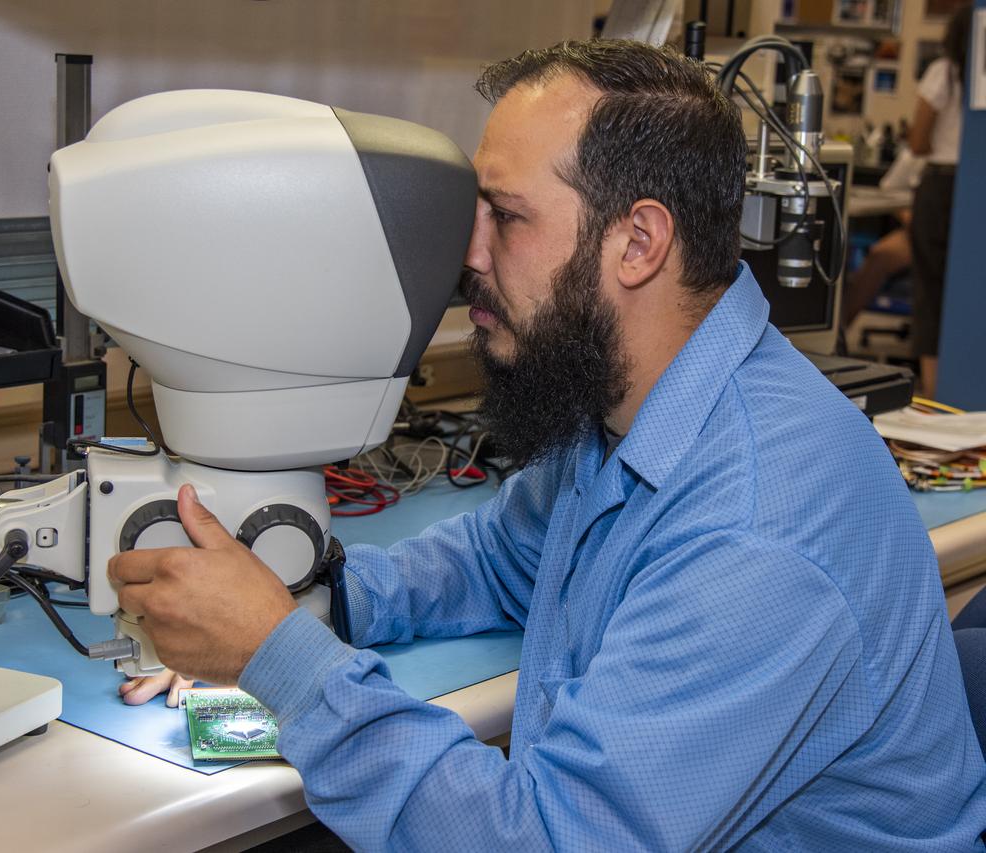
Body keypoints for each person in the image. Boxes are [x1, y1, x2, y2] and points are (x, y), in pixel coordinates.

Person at [111, 40, 986, 849]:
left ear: (637, 242)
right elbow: (498, 560)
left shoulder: (758, 527)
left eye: (506, 217)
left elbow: (541, 839)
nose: (470, 254)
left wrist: (278, 654)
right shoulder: (633, 410)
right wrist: (298, 600)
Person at [908, 3, 972, 397]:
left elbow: (918, 140)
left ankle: (932, 394)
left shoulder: (942, 72)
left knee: (930, 290)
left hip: (940, 188)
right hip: (972, 192)